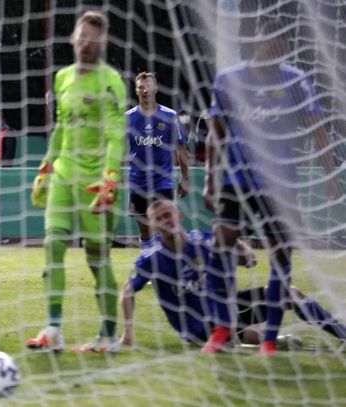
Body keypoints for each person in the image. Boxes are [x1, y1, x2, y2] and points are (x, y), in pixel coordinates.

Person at [202, 20, 339, 354]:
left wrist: (330, 176)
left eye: (283, 42)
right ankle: (222, 329)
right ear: (258, 38)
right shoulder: (229, 79)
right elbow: (216, 133)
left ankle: (269, 340)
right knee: (221, 246)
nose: (276, 45)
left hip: (282, 184)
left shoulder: (295, 80)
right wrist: (209, 180)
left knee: (281, 257)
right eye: (271, 38)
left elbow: (316, 128)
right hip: (239, 179)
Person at [26, 10, 127, 353]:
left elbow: (116, 134)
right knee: (53, 245)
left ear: (103, 44)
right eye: (82, 37)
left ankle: (108, 333)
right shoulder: (63, 78)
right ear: (73, 38)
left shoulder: (111, 81)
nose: (86, 44)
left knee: (98, 260)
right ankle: (53, 328)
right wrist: (46, 165)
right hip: (65, 177)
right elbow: (61, 128)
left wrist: (111, 177)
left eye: (93, 39)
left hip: (97, 183)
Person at [120, 199, 346, 348]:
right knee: (238, 335)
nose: (165, 221)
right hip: (197, 325)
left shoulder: (201, 239)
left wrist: (244, 253)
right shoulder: (152, 259)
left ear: (179, 216)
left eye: (167, 215)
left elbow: (242, 254)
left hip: (226, 306)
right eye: (158, 220)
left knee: (290, 293)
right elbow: (127, 291)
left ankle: (341, 333)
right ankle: (274, 341)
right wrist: (127, 334)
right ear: (154, 227)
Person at [126, 72, 189, 252]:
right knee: (145, 231)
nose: (145, 90)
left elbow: (181, 148)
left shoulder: (170, 116)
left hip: (163, 181)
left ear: (156, 89)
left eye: (148, 86)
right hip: (138, 182)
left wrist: (185, 178)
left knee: (167, 229)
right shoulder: (128, 117)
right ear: (136, 91)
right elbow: (113, 145)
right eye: (141, 87)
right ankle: (148, 269)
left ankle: (171, 269)